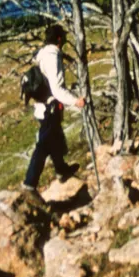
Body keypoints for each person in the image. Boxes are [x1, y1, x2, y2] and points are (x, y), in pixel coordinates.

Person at [23, 24, 85, 193]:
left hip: (42, 106)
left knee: (55, 136)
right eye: (63, 36)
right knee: (43, 145)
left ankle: (61, 169)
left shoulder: (43, 54)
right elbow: (57, 89)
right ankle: (30, 183)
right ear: (59, 39)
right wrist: (75, 101)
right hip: (49, 107)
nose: (65, 38)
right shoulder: (52, 57)